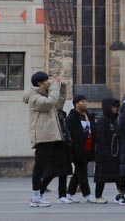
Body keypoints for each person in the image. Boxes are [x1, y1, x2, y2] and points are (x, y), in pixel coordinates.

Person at [23, 70, 67, 208]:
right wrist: (54, 88)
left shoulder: (46, 94)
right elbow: (49, 103)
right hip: (42, 136)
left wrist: (62, 88)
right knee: (40, 167)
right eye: (47, 81)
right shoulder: (33, 96)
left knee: (52, 165)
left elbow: (58, 104)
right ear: (40, 83)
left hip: (51, 136)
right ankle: (36, 197)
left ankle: (40, 195)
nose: (49, 82)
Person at [93, 97, 125, 203]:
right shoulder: (102, 121)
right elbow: (100, 138)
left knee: (118, 175)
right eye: (113, 107)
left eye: (116, 107)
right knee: (101, 177)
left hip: (114, 153)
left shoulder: (114, 120)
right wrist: (103, 152)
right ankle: (98, 196)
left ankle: (123, 193)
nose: (115, 109)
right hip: (104, 154)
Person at [64, 94, 96, 202]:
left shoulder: (89, 115)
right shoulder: (72, 117)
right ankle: (86, 194)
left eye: (85, 101)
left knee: (78, 171)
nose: (85, 103)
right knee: (82, 171)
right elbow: (69, 133)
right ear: (76, 104)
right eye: (82, 101)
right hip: (77, 148)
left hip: (88, 146)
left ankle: (70, 193)